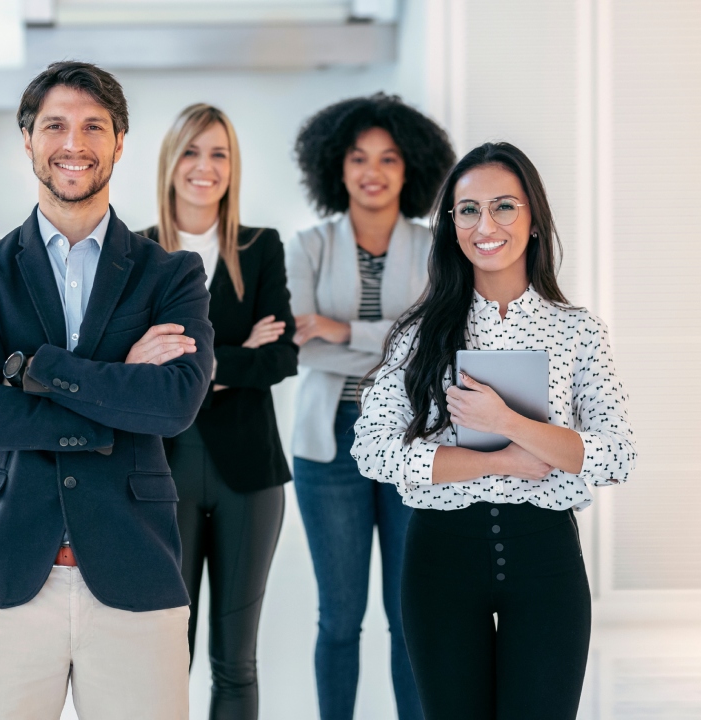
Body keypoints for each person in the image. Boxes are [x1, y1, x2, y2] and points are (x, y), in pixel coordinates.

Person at [0, 61, 214, 720]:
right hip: (8, 575)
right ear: (27, 139)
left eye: (94, 127)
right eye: (55, 125)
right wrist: (117, 393)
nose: (74, 143)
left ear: (120, 143)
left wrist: (36, 367)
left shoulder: (171, 273)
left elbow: (172, 405)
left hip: (135, 571)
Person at [353, 142, 635, 720]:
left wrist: (507, 423)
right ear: (450, 224)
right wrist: (501, 459)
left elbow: (618, 456)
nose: (485, 225)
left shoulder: (579, 333)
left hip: (546, 560)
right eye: (467, 209)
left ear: (534, 219)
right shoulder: (416, 335)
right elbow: (372, 451)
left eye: (504, 206)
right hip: (440, 560)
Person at [287, 93, 456, 720]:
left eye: (388, 158)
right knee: (338, 617)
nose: (372, 171)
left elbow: (440, 344)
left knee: (409, 616)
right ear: (338, 167)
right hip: (329, 443)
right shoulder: (308, 245)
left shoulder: (439, 246)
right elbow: (305, 347)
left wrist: (344, 331)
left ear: (409, 168)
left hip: (415, 441)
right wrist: (388, 340)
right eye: (359, 158)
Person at [140, 103, 298, 720]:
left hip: (250, 476)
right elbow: (132, 369)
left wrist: (191, 364)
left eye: (219, 153)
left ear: (232, 167)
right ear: (170, 162)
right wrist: (236, 356)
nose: (204, 167)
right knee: (163, 653)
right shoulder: (139, 251)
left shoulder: (261, 249)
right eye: (191, 151)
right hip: (161, 473)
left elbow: (280, 358)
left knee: (237, 659)